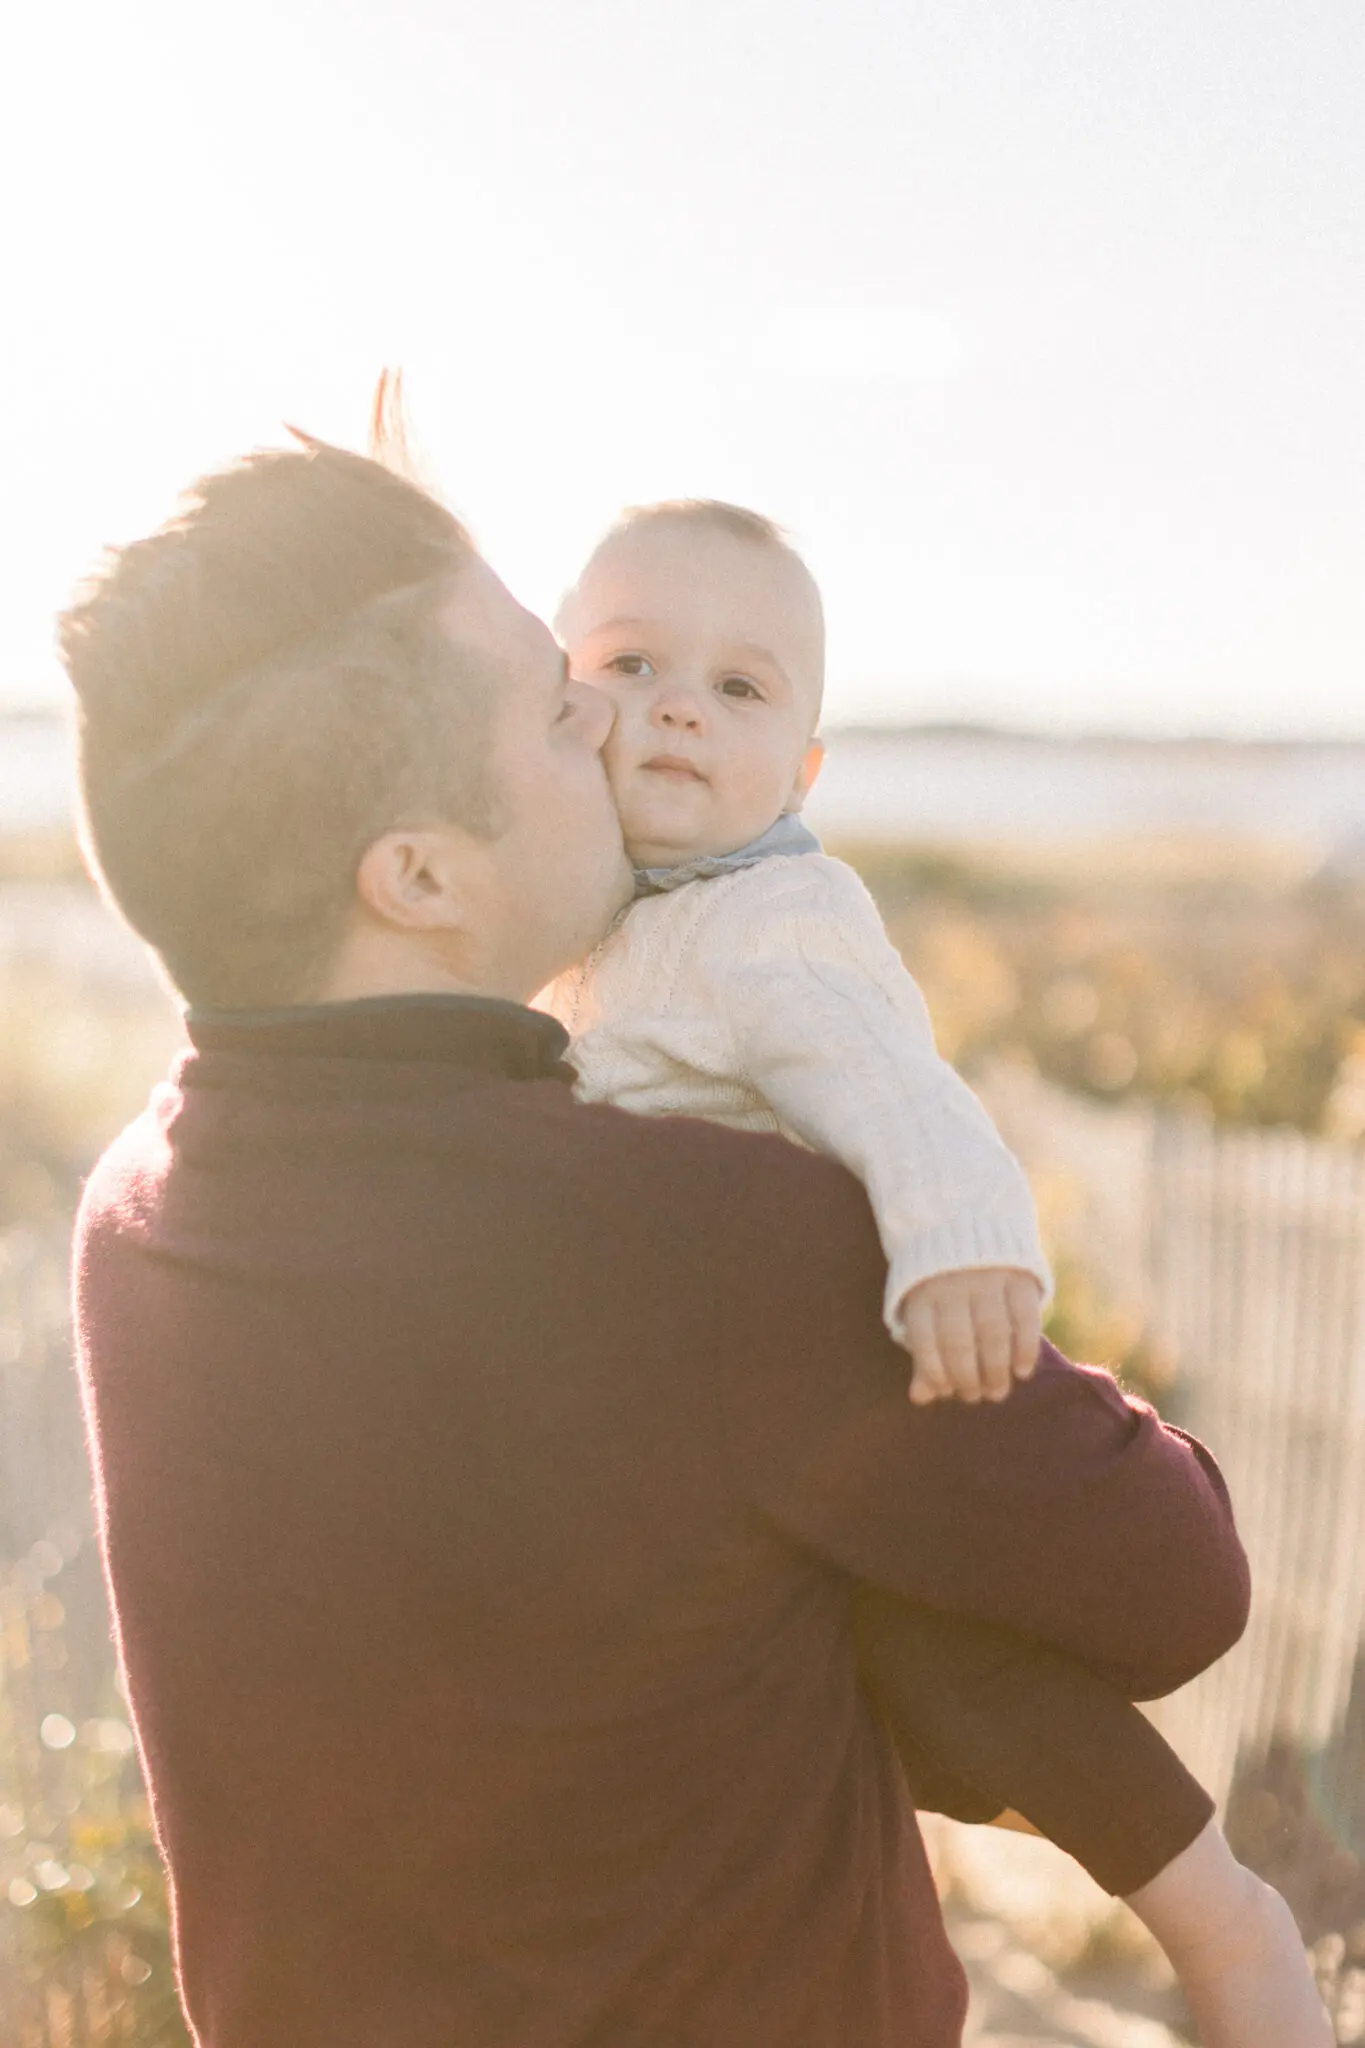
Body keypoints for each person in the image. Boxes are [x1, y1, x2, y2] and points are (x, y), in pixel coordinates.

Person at [65, 438, 1256, 2048]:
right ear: (417, 873)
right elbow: (1177, 1583)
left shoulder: (143, 1218)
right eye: (569, 706)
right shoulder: (703, 1240)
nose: (624, 728)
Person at [548, 494, 1332, 2047]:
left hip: (850, 1388)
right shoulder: (597, 915)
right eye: (630, 665)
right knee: (876, 1696)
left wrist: (962, 1248)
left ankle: (1223, 1922)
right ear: (556, 698)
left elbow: (902, 1089)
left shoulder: (773, 914)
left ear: (805, 771)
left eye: (742, 689)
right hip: (714, 1440)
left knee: (938, 1658)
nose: (679, 706)